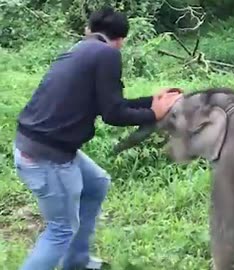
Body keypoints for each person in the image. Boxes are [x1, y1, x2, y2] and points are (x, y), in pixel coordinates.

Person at [12, 7, 182, 270]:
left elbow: (111, 104)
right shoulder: (107, 55)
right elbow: (114, 115)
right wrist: (153, 113)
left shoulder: (81, 50)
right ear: (121, 40)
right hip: (48, 156)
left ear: (89, 30)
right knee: (60, 231)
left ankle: (77, 261)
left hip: (39, 144)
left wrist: (153, 102)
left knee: (96, 183)